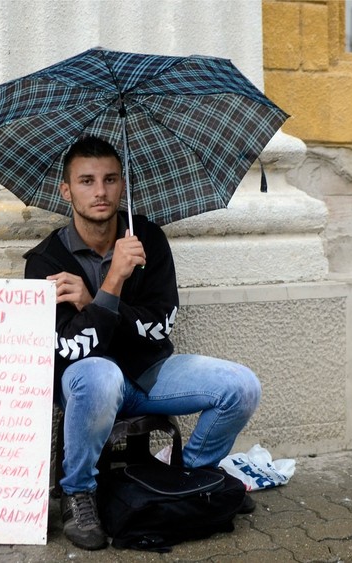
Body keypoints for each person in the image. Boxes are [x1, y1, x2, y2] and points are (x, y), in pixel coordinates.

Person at [24, 135, 261, 551]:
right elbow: (67, 349)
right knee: (99, 375)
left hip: (149, 372)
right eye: (86, 180)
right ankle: (79, 494)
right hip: (89, 382)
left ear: (123, 186)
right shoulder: (45, 262)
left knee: (241, 387)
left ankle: (190, 477)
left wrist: (95, 302)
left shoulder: (146, 239)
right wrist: (113, 281)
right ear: (67, 190)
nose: (100, 191)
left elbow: (159, 325)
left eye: (110, 179)